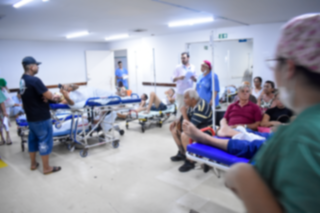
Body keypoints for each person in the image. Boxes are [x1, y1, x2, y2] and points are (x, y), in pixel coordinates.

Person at [224, 14, 320, 213]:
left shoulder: (299, 136)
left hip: (249, 134)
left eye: (275, 64)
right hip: (240, 131)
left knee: (244, 140)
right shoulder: (305, 127)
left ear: (289, 68)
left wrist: (242, 175)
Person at [20, 56, 61, 175]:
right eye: (36, 65)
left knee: (32, 140)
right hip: (41, 117)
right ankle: (46, 168)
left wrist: (41, 96)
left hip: (30, 117)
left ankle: (33, 164)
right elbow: (50, 96)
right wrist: (53, 96)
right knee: (44, 140)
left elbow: (25, 95)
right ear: (32, 67)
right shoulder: (35, 80)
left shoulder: (22, 80)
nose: (37, 67)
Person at [169, 89, 213, 172]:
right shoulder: (192, 105)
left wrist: (184, 113)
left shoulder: (201, 106)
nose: (183, 100)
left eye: (185, 98)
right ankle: (183, 153)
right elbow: (186, 120)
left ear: (193, 99)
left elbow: (190, 127)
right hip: (197, 128)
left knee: (185, 135)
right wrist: (176, 121)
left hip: (206, 132)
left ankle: (190, 161)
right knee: (174, 130)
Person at [183, 120, 270, 159]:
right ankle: (225, 129)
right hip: (235, 127)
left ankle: (208, 139)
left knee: (263, 146)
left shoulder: (253, 106)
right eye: (242, 91)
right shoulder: (232, 106)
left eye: (247, 91)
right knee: (266, 136)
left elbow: (259, 124)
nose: (245, 93)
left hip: (241, 127)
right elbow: (224, 117)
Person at [171, 52, 196, 117]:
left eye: (184, 58)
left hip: (189, 92)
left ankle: (186, 124)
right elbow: (172, 79)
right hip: (181, 92)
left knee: (189, 110)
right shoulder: (178, 67)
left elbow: (196, 79)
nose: (182, 59)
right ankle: (178, 125)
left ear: (188, 58)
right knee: (181, 109)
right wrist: (179, 77)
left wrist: (193, 78)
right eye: (181, 58)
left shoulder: (193, 67)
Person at [0, 79, 13, 145]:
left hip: (4, 109)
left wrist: (4, 111)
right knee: (1, 125)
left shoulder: (4, 91)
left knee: (5, 123)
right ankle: (2, 138)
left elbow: (1, 101)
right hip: (3, 110)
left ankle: (8, 137)